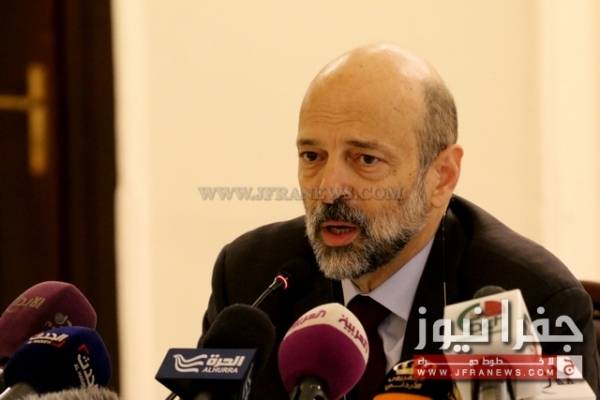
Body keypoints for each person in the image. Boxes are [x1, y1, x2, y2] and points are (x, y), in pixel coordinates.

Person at [201, 43, 600, 399]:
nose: (328, 188)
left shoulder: (528, 300)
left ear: (441, 176)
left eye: (366, 159)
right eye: (312, 156)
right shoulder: (251, 278)